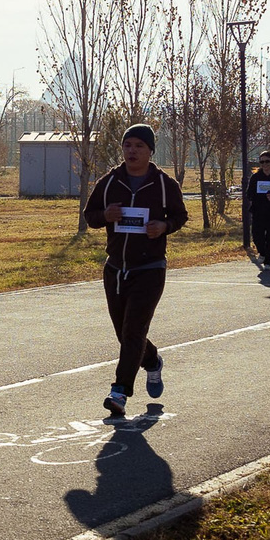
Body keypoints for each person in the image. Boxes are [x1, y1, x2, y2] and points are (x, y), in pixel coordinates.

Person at [81, 122, 188, 418]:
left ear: (150, 151)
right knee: (125, 333)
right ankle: (152, 361)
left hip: (150, 269)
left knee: (133, 331)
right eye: (128, 145)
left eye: (139, 146)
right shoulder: (110, 181)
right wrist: (106, 215)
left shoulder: (165, 185)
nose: (132, 150)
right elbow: (90, 216)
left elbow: (180, 216)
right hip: (116, 269)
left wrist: (164, 226)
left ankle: (119, 393)